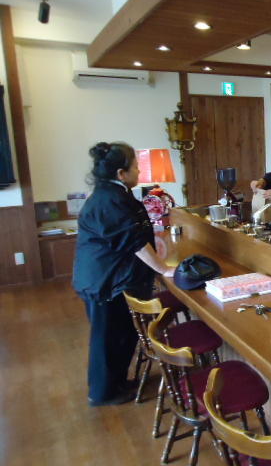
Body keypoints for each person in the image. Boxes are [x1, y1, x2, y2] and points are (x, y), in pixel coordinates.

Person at [73, 141, 175, 407]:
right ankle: (103, 393)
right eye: (136, 167)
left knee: (121, 335)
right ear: (121, 173)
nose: (139, 172)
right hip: (105, 280)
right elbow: (132, 241)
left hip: (112, 278)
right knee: (108, 340)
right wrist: (163, 269)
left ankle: (117, 382)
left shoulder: (113, 193)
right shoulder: (108, 199)